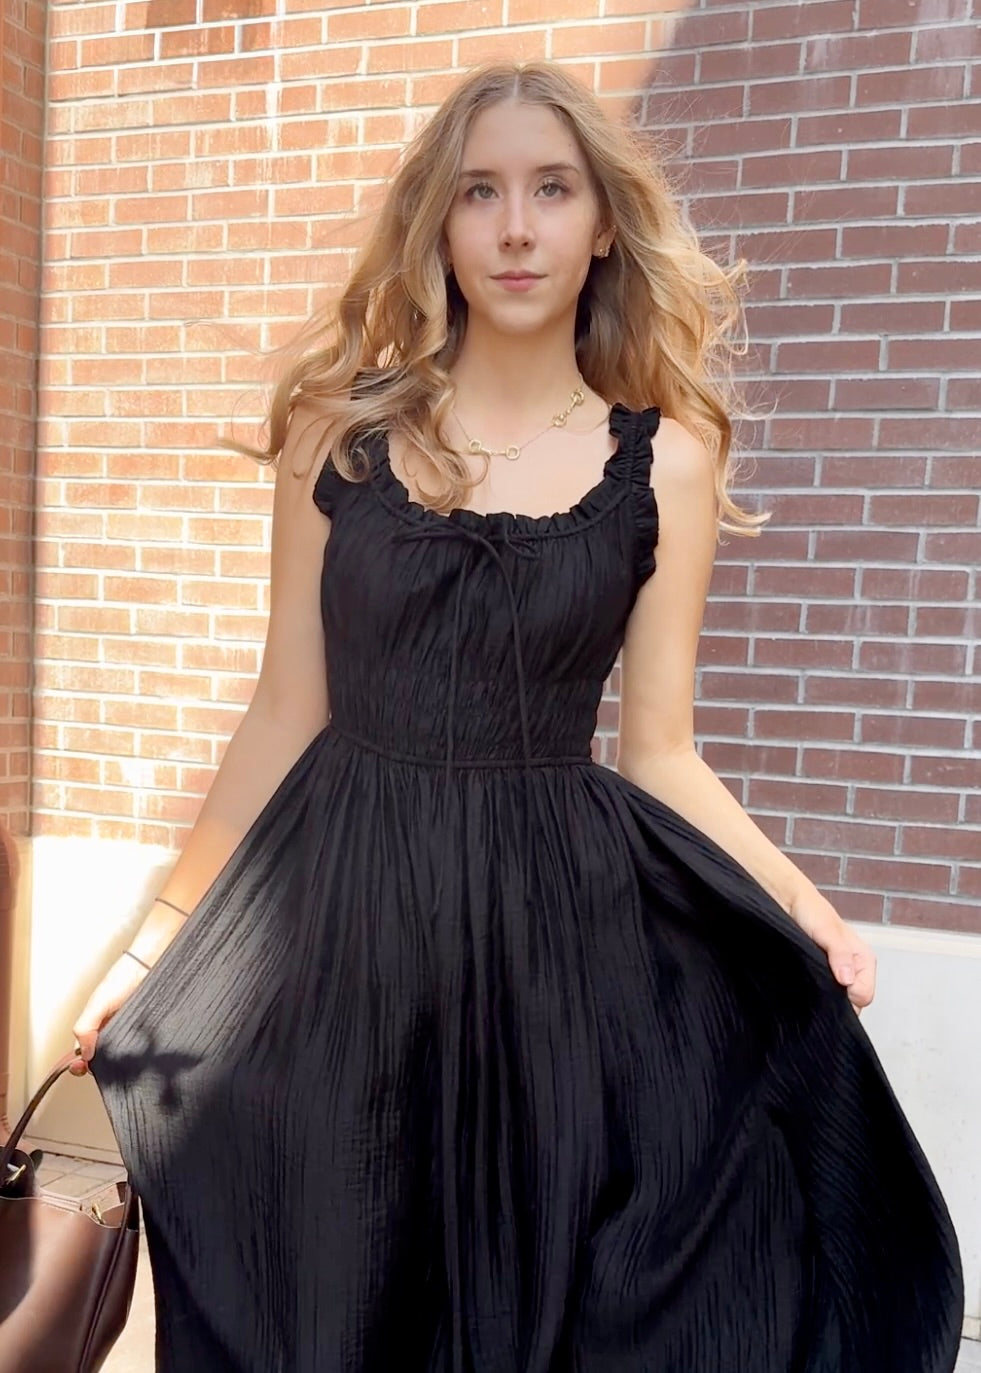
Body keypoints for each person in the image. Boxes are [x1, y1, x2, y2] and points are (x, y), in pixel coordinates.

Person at [72, 61, 962, 1372]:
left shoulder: (668, 459)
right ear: (438, 224)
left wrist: (802, 904)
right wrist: (151, 950)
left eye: (552, 189)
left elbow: (659, 746)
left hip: (554, 951)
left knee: (551, 1296)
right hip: (340, 928)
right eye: (478, 191)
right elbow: (280, 714)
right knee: (325, 1287)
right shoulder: (338, 433)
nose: (514, 226)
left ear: (604, 222)